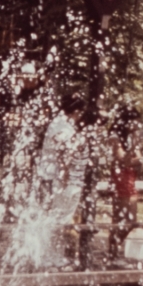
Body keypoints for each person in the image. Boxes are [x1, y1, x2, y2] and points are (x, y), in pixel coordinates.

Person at [34, 92, 88, 268]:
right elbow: (62, 152)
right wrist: (64, 176)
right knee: (58, 218)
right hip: (56, 179)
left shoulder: (59, 124)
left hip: (51, 177)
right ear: (77, 111)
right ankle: (48, 257)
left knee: (54, 217)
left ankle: (49, 256)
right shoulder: (62, 126)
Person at [107, 105, 142, 260]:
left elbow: (137, 158)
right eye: (133, 122)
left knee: (132, 220)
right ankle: (113, 250)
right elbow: (123, 159)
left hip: (130, 176)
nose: (136, 125)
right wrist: (133, 153)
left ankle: (114, 246)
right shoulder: (115, 137)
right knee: (120, 217)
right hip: (120, 178)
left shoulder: (132, 135)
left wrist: (132, 157)